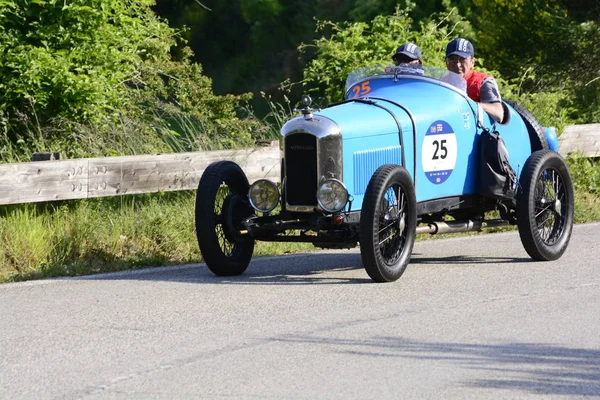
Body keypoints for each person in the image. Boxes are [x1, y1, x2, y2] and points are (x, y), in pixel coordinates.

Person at [445, 38, 505, 123]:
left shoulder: (483, 82)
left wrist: (469, 105)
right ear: (446, 62)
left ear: (472, 62)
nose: (457, 64)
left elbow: (498, 114)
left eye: (462, 59)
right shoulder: (441, 83)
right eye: (452, 59)